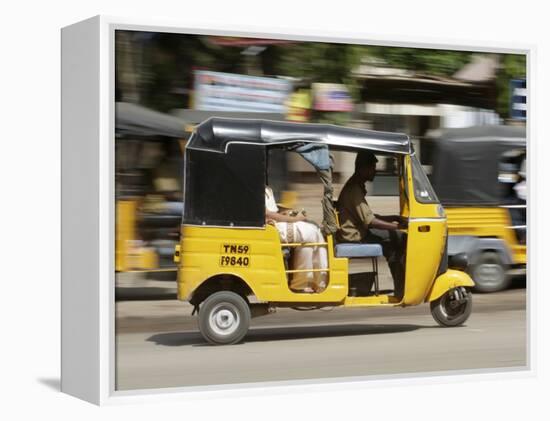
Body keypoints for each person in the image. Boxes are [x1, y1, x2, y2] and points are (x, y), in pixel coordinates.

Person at [336, 151, 407, 298]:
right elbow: (371, 222)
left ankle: (401, 286)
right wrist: (398, 227)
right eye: (373, 167)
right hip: (355, 237)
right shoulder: (354, 189)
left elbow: (369, 216)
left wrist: (394, 218)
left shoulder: (356, 186)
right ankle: (402, 289)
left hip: (359, 232)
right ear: (363, 168)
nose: (375, 171)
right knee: (399, 238)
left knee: (397, 238)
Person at [265, 186, 328, 293]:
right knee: (311, 232)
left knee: (314, 230)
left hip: (275, 224)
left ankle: (313, 281)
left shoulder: (267, 189)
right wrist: (295, 219)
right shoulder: (255, 186)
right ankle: (312, 282)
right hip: (271, 228)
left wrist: (287, 214)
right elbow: (267, 214)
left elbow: (272, 211)